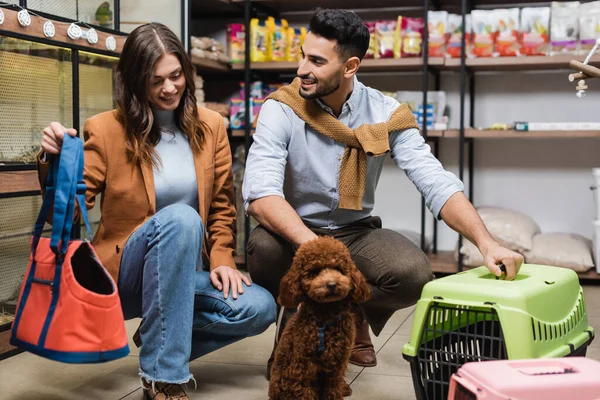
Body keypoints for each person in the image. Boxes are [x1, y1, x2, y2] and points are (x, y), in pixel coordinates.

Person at [242, 8, 524, 375]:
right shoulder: (281, 108)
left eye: (315, 61)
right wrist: (315, 248)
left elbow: (435, 181)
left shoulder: (386, 113)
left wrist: (487, 243)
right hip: (292, 231)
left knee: (412, 274)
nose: (301, 69)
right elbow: (261, 195)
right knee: (262, 249)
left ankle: (349, 308)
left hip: (355, 230)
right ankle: (297, 326)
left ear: (350, 66)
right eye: (302, 55)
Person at [39, 23, 276, 400]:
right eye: (155, 81)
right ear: (135, 82)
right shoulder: (105, 130)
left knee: (259, 308)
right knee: (182, 218)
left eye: (176, 75)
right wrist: (54, 163)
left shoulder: (212, 127)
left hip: (180, 277)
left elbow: (220, 206)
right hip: (125, 275)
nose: (169, 88)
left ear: (186, 70)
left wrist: (222, 257)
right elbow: (64, 216)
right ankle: (163, 378)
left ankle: (159, 336)